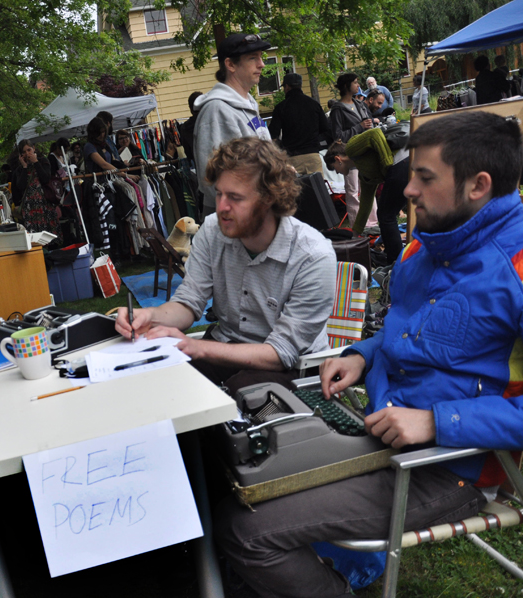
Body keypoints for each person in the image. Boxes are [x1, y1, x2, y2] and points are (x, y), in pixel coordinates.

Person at [215, 109, 523, 598]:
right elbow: (422, 334)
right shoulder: (425, 245)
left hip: (451, 468)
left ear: (478, 185)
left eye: (425, 177)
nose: (408, 189)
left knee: (247, 531)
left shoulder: (516, 265)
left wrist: (437, 422)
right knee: (229, 470)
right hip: (379, 435)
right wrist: (361, 354)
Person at [115, 137, 335, 392]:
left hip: (292, 366)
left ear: (269, 199)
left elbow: (281, 353)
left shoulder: (312, 256)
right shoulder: (212, 230)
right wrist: (151, 316)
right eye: (219, 193)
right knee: (157, 381)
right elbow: (189, 301)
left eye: (235, 197)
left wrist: (196, 347)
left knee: (237, 393)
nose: (221, 207)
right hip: (227, 346)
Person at [192, 32, 273, 218]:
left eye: (261, 57)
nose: (261, 64)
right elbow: (211, 178)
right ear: (230, 65)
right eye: (253, 58)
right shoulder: (216, 110)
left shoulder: (249, 104)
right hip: (233, 218)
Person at [324, 129, 409, 264]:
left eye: (334, 169)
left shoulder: (351, 148)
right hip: (402, 165)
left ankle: (396, 260)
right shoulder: (364, 174)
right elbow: (365, 204)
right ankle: (395, 257)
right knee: (385, 214)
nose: (338, 173)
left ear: (338, 159)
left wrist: (386, 162)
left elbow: (374, 133)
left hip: (402, 161)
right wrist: (355, 234)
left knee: (386, 215)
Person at [330, 72, 378, 229]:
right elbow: (337, 136)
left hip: (366, 153)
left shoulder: (360, 104)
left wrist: (370, 126)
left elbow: (369, 123)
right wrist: (359, 127)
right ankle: (358, 227)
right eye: (355, 82)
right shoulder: (338, 109)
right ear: (346, 86)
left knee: (369, 189)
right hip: (350, 156)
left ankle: (374, 225)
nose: (358, 85)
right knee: (353, 192)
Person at [268, 72, 331, 174]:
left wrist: (281, 148)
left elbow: (273, 134)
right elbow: (325, 128)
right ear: (300, 85)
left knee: (294, 184)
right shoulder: (314, 104)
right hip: (313, 155)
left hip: (292, 158)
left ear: (287, 87)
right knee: (317, 184)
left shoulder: (281, 107)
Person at [11, 138, 63, 243]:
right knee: (34, 234)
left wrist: (36, 162)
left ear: (33, 148)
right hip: (29, 206)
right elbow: (20, 186)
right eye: (24, 152)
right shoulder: (19, 169)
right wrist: (24, 167)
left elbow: (46, 178)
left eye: (29, 150)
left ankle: (53, 247)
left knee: (49, 231)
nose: (27, 154)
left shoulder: (43, 161)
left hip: (45, 202)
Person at [178, 91, 203, 162]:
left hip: (200, 163)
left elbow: (188, 154)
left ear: (190, 108)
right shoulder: (213, 120)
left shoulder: (185, 128)